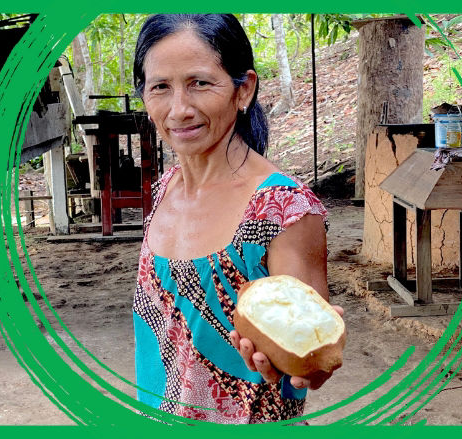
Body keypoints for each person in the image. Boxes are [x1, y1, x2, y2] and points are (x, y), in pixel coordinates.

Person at [131, 14, 343, 424]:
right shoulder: (166, 188)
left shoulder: (284, 208)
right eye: (160, 87)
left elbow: (310, 355)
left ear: (243, 89)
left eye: (199, 83)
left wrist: (308, 369)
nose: (179, 110)